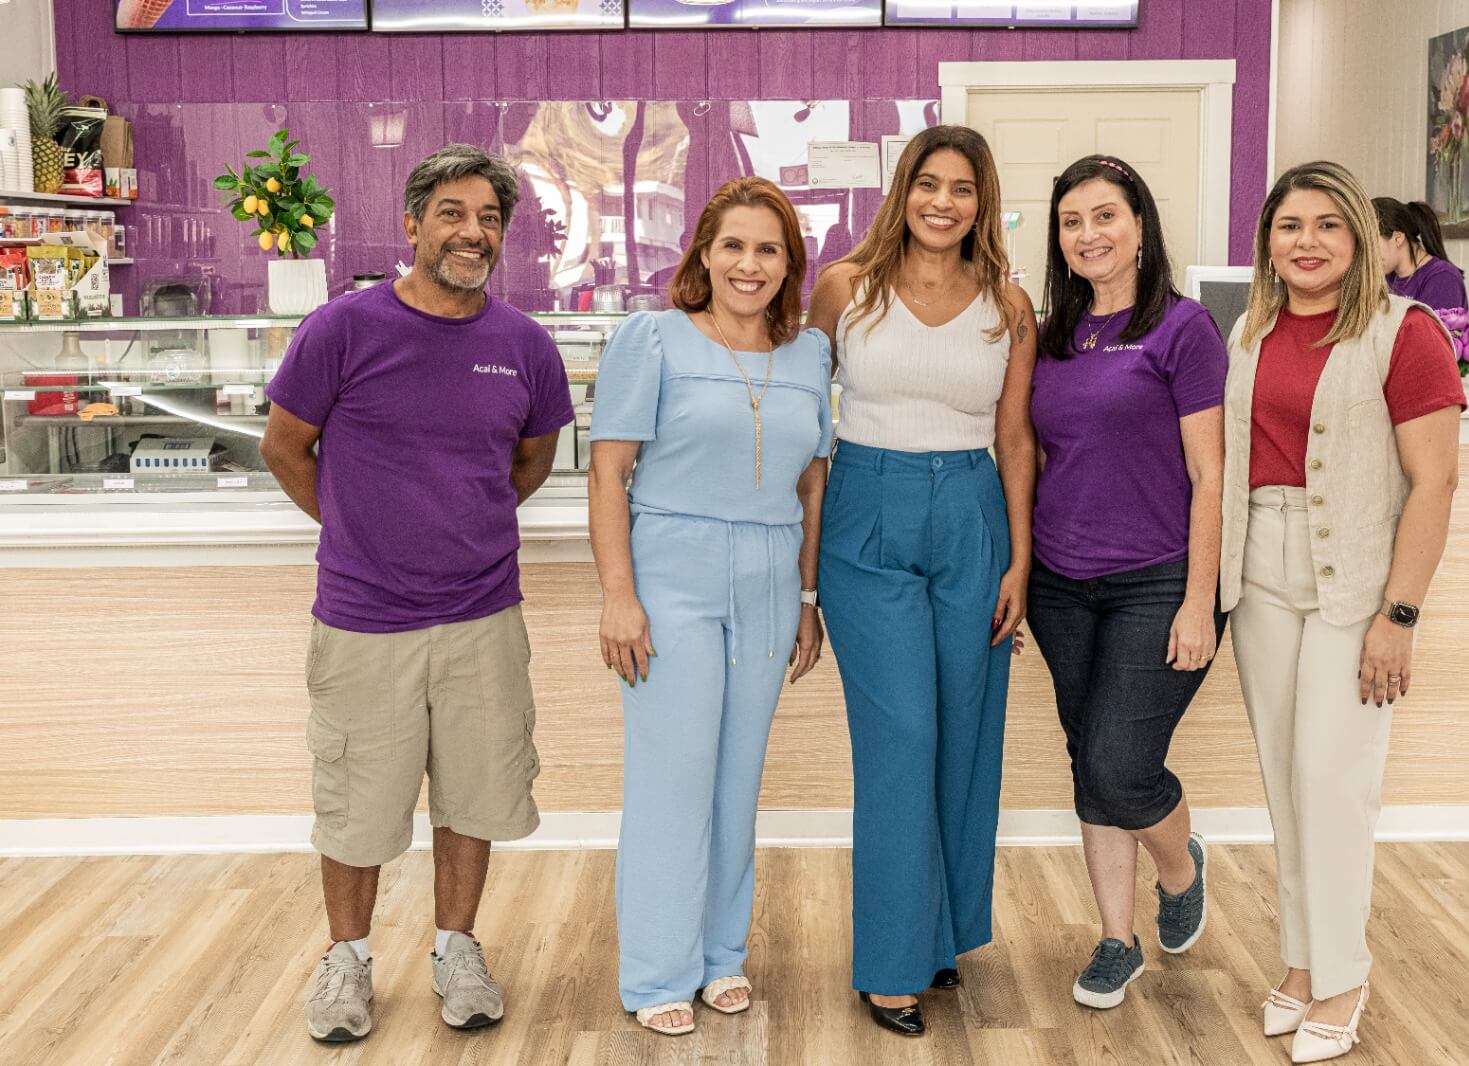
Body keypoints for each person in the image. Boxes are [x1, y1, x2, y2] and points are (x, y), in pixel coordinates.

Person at [260, 144, 574, 1043]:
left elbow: (530, 461)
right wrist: (358, 529)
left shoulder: (524, 345)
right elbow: (284, 446)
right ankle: (347, 960)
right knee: (356, 804)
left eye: (488, 218)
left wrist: (458, 525)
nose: (472, 232)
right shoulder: (342, 329)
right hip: (365, 620)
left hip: (484, 615)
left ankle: (456, 949)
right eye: (452, 213)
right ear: (412, 224)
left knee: (474, 797)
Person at [1223, 161, 1464, 1064]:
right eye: (1291, 225)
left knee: (1334, 779)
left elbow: (1435, 482)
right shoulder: (1250, 329)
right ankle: (1302, 960)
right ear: (1267, 243)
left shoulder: (1408, 333)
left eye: (1329, 224)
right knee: (1286, 778)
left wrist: (1398, 616)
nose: (1308, 242)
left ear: (1362, 237)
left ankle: (1345, 974)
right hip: (1261, 575)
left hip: (1354, 583)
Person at [807, 124, 1037, 1038]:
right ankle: (892, 963)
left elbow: (1015, 436)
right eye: (929, 184)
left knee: (965, 736)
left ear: (983, 203)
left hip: (974, 513)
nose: (944, 203)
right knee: (901, 735)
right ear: (903, 191)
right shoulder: (845, 288)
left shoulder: (1008, 304)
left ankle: (942, 933)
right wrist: (803, 575)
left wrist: (1019, 559)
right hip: (867, 512)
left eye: (963, 189)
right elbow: (799, 417)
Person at [587, 176, 831, 1036]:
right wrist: (620, 595)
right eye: (733, 245)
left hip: (770, 575)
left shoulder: (810, 355)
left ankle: (722, 956)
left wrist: (808, 597)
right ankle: (658, 970)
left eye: (768, 249)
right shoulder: (653, 338)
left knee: (736, 779)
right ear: (704, 253)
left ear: (789, 264)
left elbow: (813, 484)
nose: (748, 264)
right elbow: (609, 472)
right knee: (673, 775)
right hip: (672, 570)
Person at [1026, 156, 1227, 1010]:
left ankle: (1179, 869)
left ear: (1140, 225)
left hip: (1158, 581)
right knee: (1091, 763)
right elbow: (1034, 457)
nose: (1089, 234)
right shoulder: (1051, 336)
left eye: (1105, 215)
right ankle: (1116, 939)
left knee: (1119, 763)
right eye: (1072, 221)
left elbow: (1210, 475)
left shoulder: (1184, 329)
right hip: (1059, 585)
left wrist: (1198, 600)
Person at [1373, 197, 1468, 312]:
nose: (1370, 256)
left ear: (1398, 238)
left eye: (1372, 246)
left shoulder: (1444, 279)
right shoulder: (1387, 278)